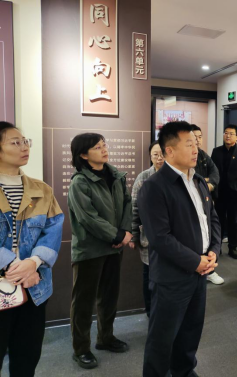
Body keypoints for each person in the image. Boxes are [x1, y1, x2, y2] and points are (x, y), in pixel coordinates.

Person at [138, 121, 221, 377]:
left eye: (196, 144)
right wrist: (195, 261)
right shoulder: (154, 186)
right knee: (162, 339)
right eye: (189, 144)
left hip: (199, 273)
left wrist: (214, 250)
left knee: (190, 331)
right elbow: (160, 238)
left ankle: (184, 371)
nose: (196, 149)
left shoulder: (198, 180)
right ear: (169, 151)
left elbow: (212, 219)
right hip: (171, 278)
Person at [0, 122, 64, 377]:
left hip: (34, 286)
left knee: (27, 356)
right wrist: (14, 265)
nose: (24, 147)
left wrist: (34, 262)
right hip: (6, 282)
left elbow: (53, 229)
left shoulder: (42, 190)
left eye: (25, 141)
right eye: (15, 142)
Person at [68, 133, 133, 370]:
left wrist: (124, 231)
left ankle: (105, 338)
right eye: (97, 147)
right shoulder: (79, 182)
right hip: (90, 249)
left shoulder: (116, 176)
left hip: (114, 247)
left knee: (109, 296)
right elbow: (87, 218)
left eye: (104, 145)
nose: (104, 149)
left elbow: (127, 204)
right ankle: (81, 349)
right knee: (83, 301)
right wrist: (116, 235)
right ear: (83, 155)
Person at [130, 141, 165, 317]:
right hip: (148, 237)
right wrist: (134, 235)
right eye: (155, 155)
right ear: (150, 157)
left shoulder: (176, 176)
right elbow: (134, 208)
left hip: (171, 237)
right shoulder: (143, 178)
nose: (159, 158)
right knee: (149, 275)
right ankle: (150, 311)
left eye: (162, 154)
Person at [191, 125, 223, 285]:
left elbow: (215, 173)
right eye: (194, 137)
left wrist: (207, 184)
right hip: (191, 201)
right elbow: (193, 178)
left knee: (209, 229)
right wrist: (204, 182)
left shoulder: (203, 155)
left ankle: (209, 269)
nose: (197, 140)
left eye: (199, 137)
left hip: (205, 199)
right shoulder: (187, 157)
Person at [211, 125, 237, 260]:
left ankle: (233, 248)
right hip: (219, 192)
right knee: (218, 220)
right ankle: (217, 247)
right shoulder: (216, 151)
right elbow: (213, 171)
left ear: (236, 137)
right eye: (226, 133)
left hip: (235, 192)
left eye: (231, 133)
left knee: (234, 221)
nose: (228, 136)